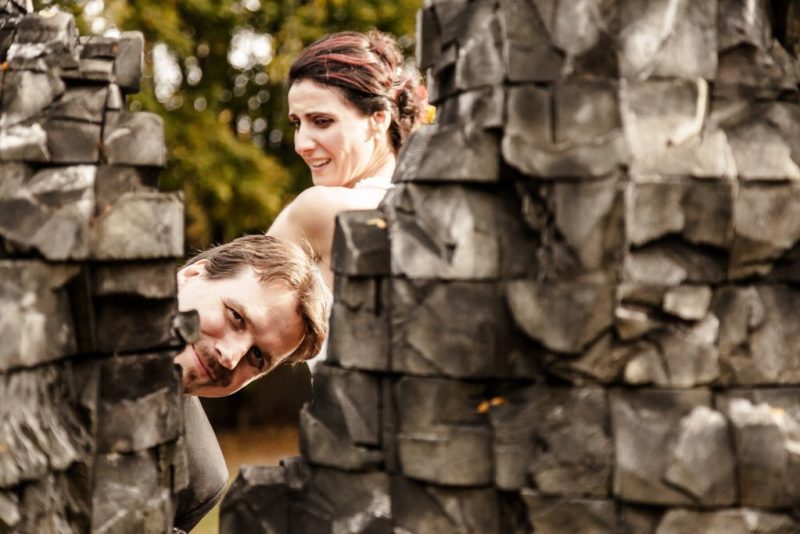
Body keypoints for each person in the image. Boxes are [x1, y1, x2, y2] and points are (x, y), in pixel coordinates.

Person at [171, 234, 329, 532]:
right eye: (236, 318)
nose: (230, 357)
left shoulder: (195, 475)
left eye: (257, 356)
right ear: (191, 276)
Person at [268, 30, 426, 288]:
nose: (301, 145)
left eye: (322, 121)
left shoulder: (322, 209)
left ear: (378, 120)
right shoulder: (431, 211)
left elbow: (221, 308)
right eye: (297, 123)